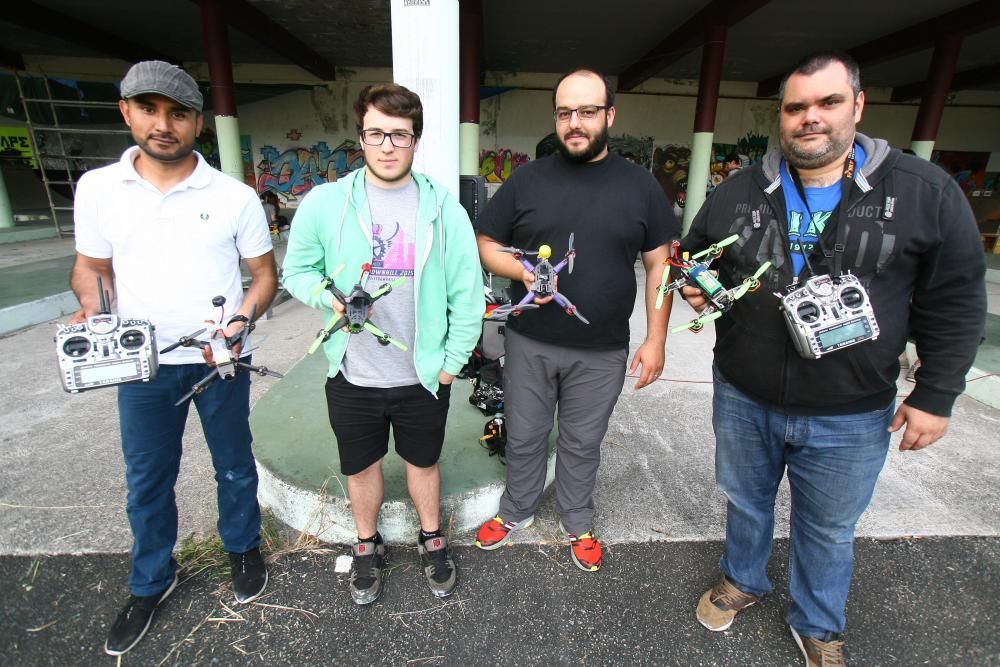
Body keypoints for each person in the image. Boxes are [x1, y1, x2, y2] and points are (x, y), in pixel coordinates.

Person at [684, 52, 986, 665]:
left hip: (852, 409)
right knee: (745, 499)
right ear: (782, 116)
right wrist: (700, 282)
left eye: (827, 103)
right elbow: (696, 255)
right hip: (745, 392)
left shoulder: (923, 192)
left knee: (828, 527)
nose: (809, 119)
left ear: (858, 105)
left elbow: (954, 299)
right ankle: (743, 579)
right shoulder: (741, 189)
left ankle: (817, 621)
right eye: (795, 108)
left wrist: (935, 394)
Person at [70, 60, 278, 656]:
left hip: (218, 359)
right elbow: (93, 268)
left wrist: (242, 319)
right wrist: (93, 308)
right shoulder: (98, 189)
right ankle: (150, 583)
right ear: (126, 111)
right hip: (140, 363)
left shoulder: (234, 196)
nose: (164, 125)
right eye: (150, 110)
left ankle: (242, 548)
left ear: (197, 122)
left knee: (234, 464)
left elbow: (263, 277)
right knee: (147, 480)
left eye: (178, 113)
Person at [281, 83, 482, 604]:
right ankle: (366, 545)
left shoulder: (444, 209)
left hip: (422, 373)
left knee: (424, 463)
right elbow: (297, 271)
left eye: (400, 134)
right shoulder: (326, 203)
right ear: (361, 137)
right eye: (376, 133)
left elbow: (466, 290)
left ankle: (432, 539)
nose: (388, 145)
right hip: (353, 372)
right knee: (361, 465)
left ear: (416, 140)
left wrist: (450, 365)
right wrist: (327, 296)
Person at [473, 69, 679, 571]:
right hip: (529, 341)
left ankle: (577, 520)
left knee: (582, 443)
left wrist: (656, 338)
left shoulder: (640, 186)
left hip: (602, 348)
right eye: (565, 113)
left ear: (609, 115)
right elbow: (484, 244)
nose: (575, 123)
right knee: (523, 433)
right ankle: (516, 510)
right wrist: (519, 268)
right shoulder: (526, 179)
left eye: (587, 111)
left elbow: (661, 263)